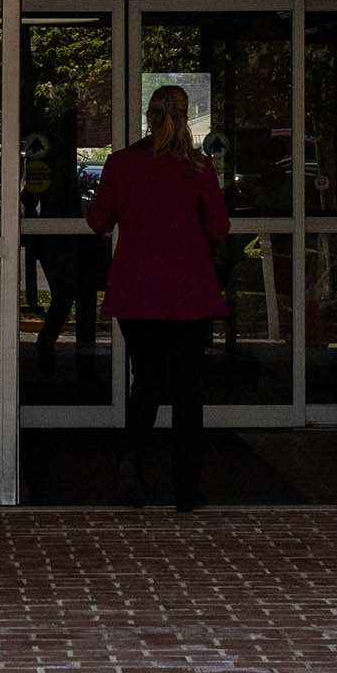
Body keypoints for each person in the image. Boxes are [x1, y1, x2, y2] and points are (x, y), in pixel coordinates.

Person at [88, 83, 230, 511]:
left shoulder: (122, 163)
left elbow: (98, 221)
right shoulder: (199, 168)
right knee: (188, 390)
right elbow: (219, 229)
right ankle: (187, 488)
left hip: (137, 292)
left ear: (148, 117)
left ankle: (131, 464)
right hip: (189, 291)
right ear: (186, 118)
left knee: (146, 383)